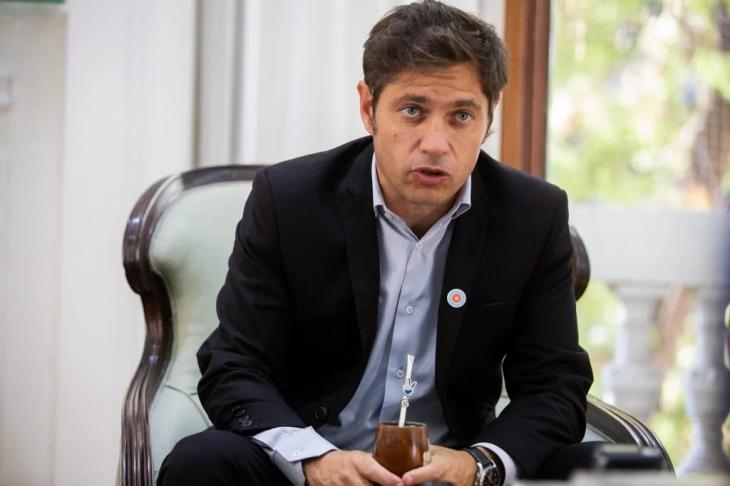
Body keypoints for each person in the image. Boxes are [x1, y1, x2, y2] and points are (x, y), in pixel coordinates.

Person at [158, 1, 593, 485]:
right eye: (413, 111)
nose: (435, 143)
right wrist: (315, 461)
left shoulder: (532, 216)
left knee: (605, 468)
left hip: (452, 468)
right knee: (203, 461)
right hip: (313, 461)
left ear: (490, 116)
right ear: (368, 108)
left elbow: (554, 386)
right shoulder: (289, 201)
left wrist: (477, 464)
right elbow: (233, 366)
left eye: (461, 116)